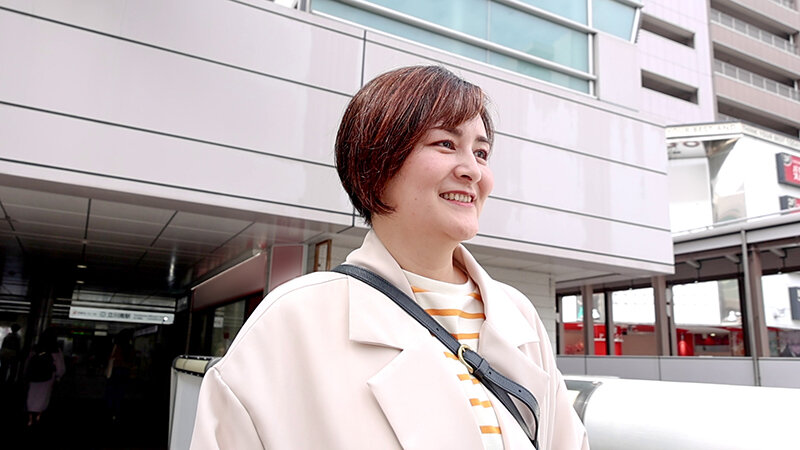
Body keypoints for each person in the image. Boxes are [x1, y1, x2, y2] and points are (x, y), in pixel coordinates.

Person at [191, 65, 589, 449]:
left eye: (481, 152)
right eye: (446, 144)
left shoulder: (517, 315)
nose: (473, 170)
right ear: (377, 162)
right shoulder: (292, 321)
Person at [25, 328, 65, 426]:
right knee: (43, 397)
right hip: (48, 377)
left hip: (34, 375)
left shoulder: (36, 348)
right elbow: (60, 367)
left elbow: (28, 362)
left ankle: (30, 418)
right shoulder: (55, 350)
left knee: (32, 395)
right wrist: (58, 376)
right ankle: (38, 416)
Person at [105, 328, 136, 422]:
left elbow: (112, 358)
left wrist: (108, 372)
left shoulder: (117, 346)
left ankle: (111, 413)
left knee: (111, 392)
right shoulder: (130, 348)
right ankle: (117, 413)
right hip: (125, 372)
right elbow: (132, 362)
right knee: (120, 393)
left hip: (116, 370)